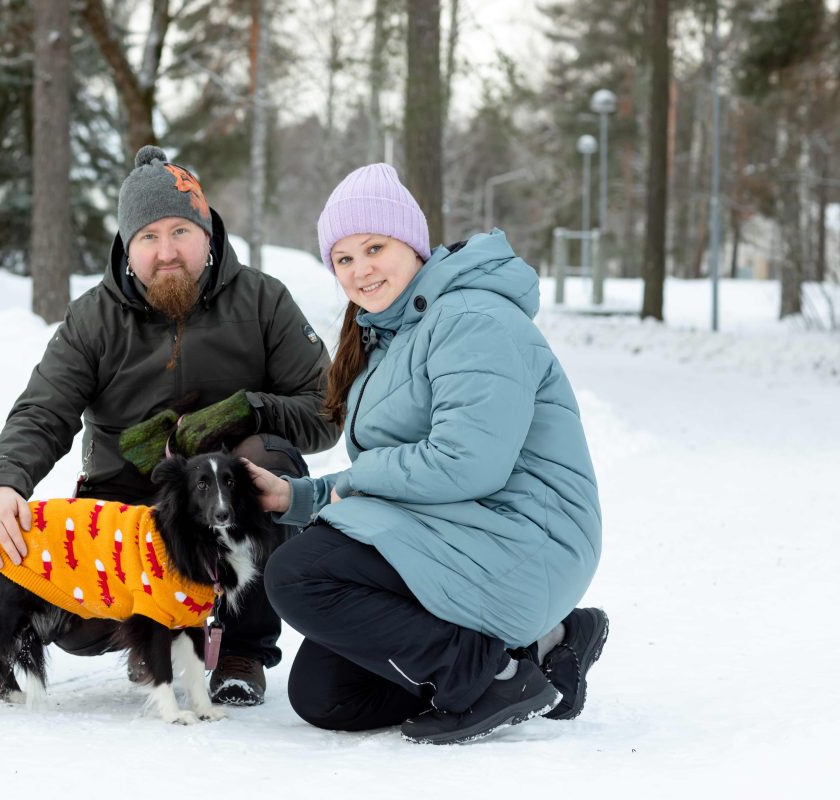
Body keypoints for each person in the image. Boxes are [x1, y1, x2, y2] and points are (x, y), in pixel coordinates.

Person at [243, 163, 607, 744]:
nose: (361, 269)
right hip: (462, 531)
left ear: (412, 243)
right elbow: (403, 471)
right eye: (343, 258)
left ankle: (494, 676)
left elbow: (467, 462)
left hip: (523, 539)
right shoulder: (395, 332)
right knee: (327, 694)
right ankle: (546, 646)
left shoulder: (471, 318)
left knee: (298, 574)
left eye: (374, 247)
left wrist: (349, 483)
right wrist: (302, 497)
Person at [0, 145, 339, 705]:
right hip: (129, 499)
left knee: (271, 464)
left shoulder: (264, 301)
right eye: (148, 236)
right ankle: (153, 635)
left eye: (180, 232)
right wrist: (4, 482)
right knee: (75, 623)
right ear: (126, 246)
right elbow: (43, 407)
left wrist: (250, 408)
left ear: (207, 232)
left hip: (226, 486)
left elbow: (323, 410)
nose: (166, 252)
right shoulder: (94, 317)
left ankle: (239, 649)